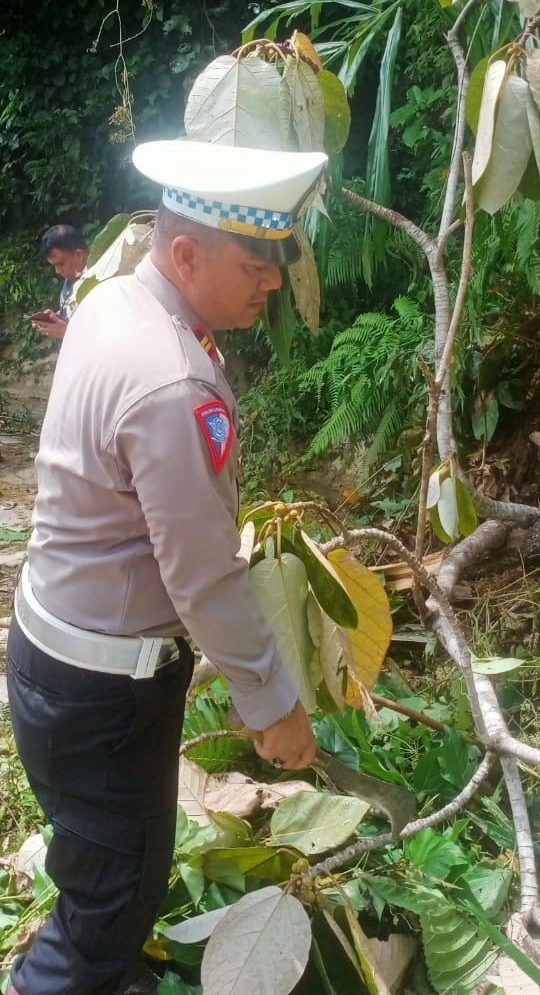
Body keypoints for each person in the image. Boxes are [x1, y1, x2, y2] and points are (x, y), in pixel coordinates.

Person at [7, 139, 326, 995]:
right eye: (258, 262)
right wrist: (272, 704)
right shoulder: (172, 383)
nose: (272, 280)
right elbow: (203, 572)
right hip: (103, 699)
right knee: (115, 898)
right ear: (186, 253)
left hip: (54, 660)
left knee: (102, 863)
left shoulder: (115, 303)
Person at [31, 224, 89, 341]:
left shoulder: (99, 284)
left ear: (79, 255)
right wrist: (55, 317)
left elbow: (106, 336)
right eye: (54, 265)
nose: (57, 271)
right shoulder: (70, 280)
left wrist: (66, 332)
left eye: (60, 264)